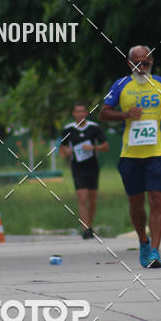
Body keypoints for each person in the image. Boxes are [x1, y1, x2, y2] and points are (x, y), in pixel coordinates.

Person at [100, 45, 161, 268]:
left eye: (146, 64)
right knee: (135, 203)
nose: (141, 68)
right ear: (129, 63)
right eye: (137, 64)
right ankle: (143, 240)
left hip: (158, 152)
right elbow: (103, 112)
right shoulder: (120, 85)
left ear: (152, 63)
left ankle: (155, 251)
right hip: (130, 153)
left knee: (156, 200)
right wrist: (124, 114)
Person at [59, 102, 109, 238]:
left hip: (92, 167)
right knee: (82, 197)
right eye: (77, 111)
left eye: (82, 111)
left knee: (92, 200)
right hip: (77, 167)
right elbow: (61, 148)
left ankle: (90, 225)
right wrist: (66, 151)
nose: (80, 114)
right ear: (74, 114)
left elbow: (106, 146)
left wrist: (93, 148)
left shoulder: (94, 128)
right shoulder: (68, 129)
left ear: (86, 113)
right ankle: (85, 228)